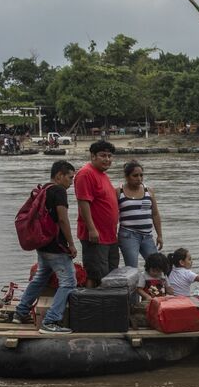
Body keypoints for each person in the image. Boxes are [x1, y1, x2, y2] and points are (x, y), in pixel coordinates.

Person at [11, 160, 78, 334]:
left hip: (43, 245)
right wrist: (71, 244)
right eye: (70, 177)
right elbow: (63, 219)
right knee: (69, 283)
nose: (71, 182)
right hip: (56, 246)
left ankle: (20, 312)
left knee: (40, 278)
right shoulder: (58, 191)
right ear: (59, 176)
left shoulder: (44, 189)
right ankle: (51, 321)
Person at [76, 140, 120, 287]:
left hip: (109, 235)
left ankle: (108, 304)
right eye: (103, 155)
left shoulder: (102, 174)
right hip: (96, 236)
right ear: (93, 156)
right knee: (97, 274)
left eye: (109, 156)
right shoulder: (86, 173)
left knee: (111, 273)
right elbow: (83, 202)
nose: (107, 159)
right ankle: (92, 305)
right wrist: (91, 229)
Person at [117, 160, 164, 268]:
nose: (139, 178)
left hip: (147, 236)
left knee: (157, 265)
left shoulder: (149, 191)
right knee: (132, 267)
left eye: (141, 175)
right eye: (135, 175)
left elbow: (155, 214)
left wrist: (159, 235)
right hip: (128, 235)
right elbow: (113, 215)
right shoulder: (119, 192)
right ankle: (135, 285)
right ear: (127, 176)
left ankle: (154, 285)